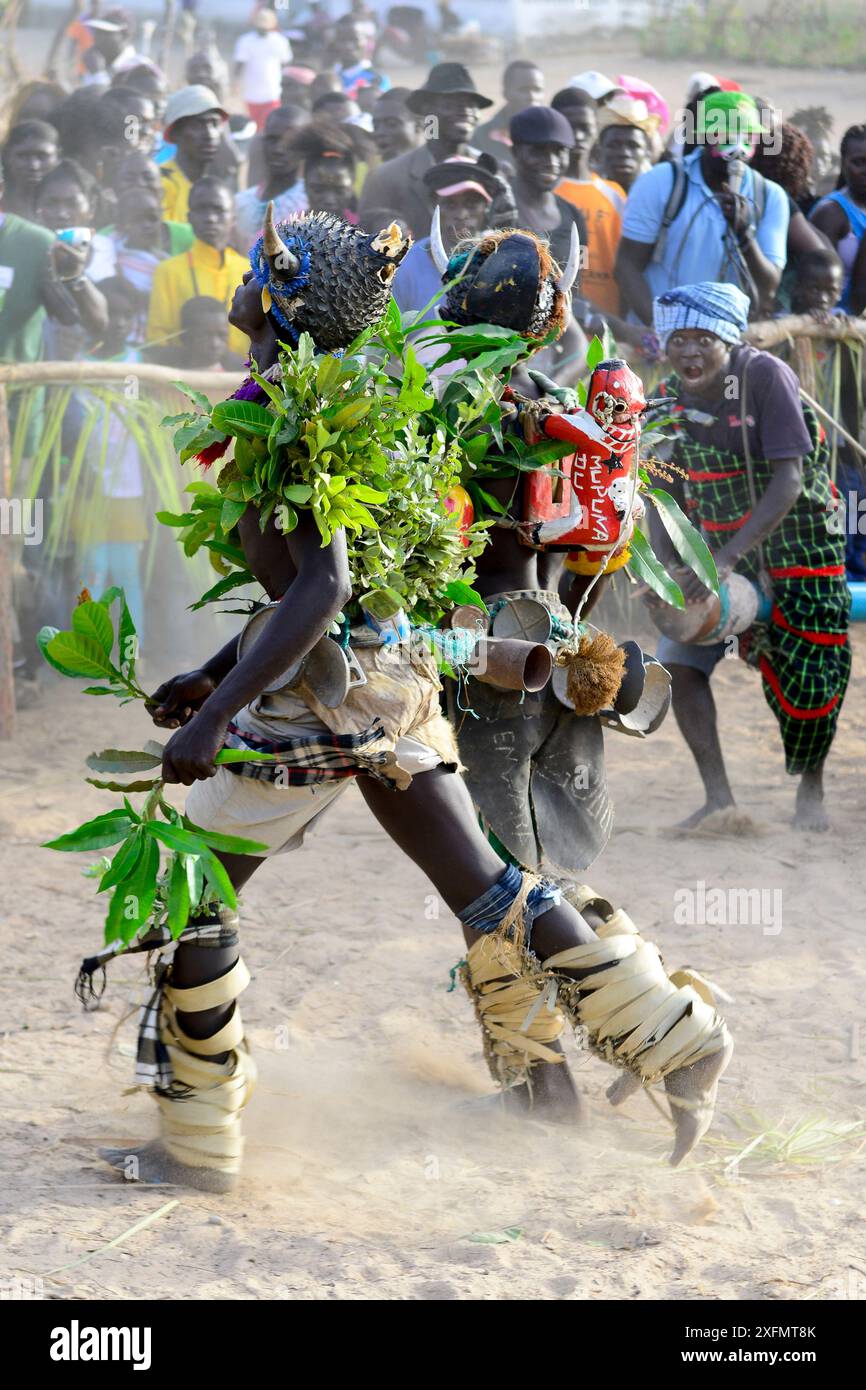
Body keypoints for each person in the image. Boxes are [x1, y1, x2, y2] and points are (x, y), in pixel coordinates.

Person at [87, 203, 731, 1191]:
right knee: (487, 887)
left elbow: (324, 586)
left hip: (329, 700)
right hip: (386, 686)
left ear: (285, 298)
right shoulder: (347, 390)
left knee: (185, 894)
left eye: (264, 269)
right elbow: (321, 585)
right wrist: (215, 673)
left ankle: (199, 1144)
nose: (243, 283)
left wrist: (220, 716)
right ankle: (673, 1038)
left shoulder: (301, 407)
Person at [648, 281, 850, 833]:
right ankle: (719, 800)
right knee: (680, 665)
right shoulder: (667, 399)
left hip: (800, 548)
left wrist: (728, 560)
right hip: (717, 550)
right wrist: (670, 571)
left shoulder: (764, 376)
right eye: (678, 340)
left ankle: (811, 789)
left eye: (703, 339)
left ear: (729, 339)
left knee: (811, 681)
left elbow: (788, 483)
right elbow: (660, 496)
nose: (689, 352)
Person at [617, 91, 789, 323]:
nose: (739, 147)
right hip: (663, 337)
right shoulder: (660, 182)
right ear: (703, 136)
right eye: (727, 135)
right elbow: (627, 266)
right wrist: (661, 331)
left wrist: (744, 233)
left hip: (727, 342)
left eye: (748, 136)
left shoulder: (770, 196)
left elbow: (768, 288)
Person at [76, 276, 148, 641]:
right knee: (91, 571)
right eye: (111, 313)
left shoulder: (139, 363)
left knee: (127, 573)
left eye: (126, 315)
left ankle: (131, 650)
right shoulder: (75, 367)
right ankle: (90, 648)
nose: (118, 322)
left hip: (127, 489)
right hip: (87, 489)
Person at [357, 62, 498, 239]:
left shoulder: (491, 174)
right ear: (427, 111)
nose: (465, 111)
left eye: (471, 104)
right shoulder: (385, 179)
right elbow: (366, 251)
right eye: (452, 104)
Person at [146, 176, 247, 360]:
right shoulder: (168, 272)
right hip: (185, 380)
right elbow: (157, 343)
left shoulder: (250, 272)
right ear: (189, 218)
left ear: (233, 218)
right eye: (202, 210)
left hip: (245, 381)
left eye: (218, 210)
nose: (210, 218)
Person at [391, 154, 501, 315]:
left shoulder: (505, 261)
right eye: (450, 204)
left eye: (471, 204)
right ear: (433, 206)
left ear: (487, 207)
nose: (462, 214)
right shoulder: (404, 268)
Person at [552, 87, 625, 317]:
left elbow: (625, 263)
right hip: (555, 319)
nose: (579, 136)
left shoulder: (614, 194)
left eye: (585, 128)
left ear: (597, 131)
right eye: (570, 128)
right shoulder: (544, 192)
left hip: (608, 321)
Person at [109, 185, 194, 347]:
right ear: (122, 223)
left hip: (152, 342)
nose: (147, 225)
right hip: (117, 340)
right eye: (137, 219)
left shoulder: (165, 265)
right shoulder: (112, 252)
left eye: (152, 219)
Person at [508, 106, 586, 271]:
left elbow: (579, 274)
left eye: (560, 151)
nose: (552, 161)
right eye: (538, 151)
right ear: (515, 152)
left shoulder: (575, 217)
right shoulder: (494, 208)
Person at [233, 105, 308, 250]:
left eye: (290, 141)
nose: (279, 149)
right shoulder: (240, 203)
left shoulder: (310, 205)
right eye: (272, 139)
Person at [810, 125, 866, 312]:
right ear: (843, 164)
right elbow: (816, 293)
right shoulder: (830, 213)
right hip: (838, 326)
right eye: (859, 162)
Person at [158, 85, 229, 224]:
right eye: (197, 126)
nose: (209, 134)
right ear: (175, 133)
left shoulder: (215, 186)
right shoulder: (161, 183)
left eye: (214, 124)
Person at [472, 60, 545, 163]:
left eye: (537, 90)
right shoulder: (481, 137)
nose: (532, 97)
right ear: (506, 93)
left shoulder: (553, 134)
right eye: (523, 90)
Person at [232, 8, 293, 133]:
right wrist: (235, 82)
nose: (262, 29)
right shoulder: (246, 41)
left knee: (270, 124)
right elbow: (239, 64)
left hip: (273, 91)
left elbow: (286, 64)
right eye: (260, 27)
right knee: (255, 127)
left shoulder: (280, 41)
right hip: (252, 92)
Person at [0, 121, 60, 221]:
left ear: (58, 156)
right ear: (6, 156)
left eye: (42, 156)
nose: (33, 166)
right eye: (22, 156)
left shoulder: (71, 203)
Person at [597, 98, 653, 194]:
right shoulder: (587, 192)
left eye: (633, 146)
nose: (624, 153)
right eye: (613, 145)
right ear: (599, 150)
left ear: (647, 151)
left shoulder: (660, 194)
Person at [330, 13, 389, 101]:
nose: (348, 46)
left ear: (368, 42)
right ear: (334, 43)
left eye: (354, 39)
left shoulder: (376, 79)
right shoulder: (329, 76)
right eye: (342, 40)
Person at [371, 87, 419, 163]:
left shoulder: (440, 171)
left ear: (418, 126)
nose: (380, 132)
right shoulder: (371, 172)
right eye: (375, 126)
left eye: (391, 124)